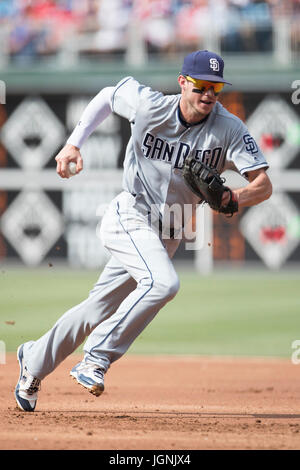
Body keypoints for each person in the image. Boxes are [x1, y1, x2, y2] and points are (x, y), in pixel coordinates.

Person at [14, 50, 272, 412]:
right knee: (164, 284)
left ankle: (34, 359)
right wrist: (74, 142)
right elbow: (108, 95)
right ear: (183, 82)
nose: (209, 95)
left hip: (169, 231)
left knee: (97, 307)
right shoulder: (151, 105)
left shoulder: (229, 128)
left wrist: (233, 196)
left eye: (215, 88)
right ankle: (96, 358)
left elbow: (263, 184)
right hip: (129, 214)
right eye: (201, 86)